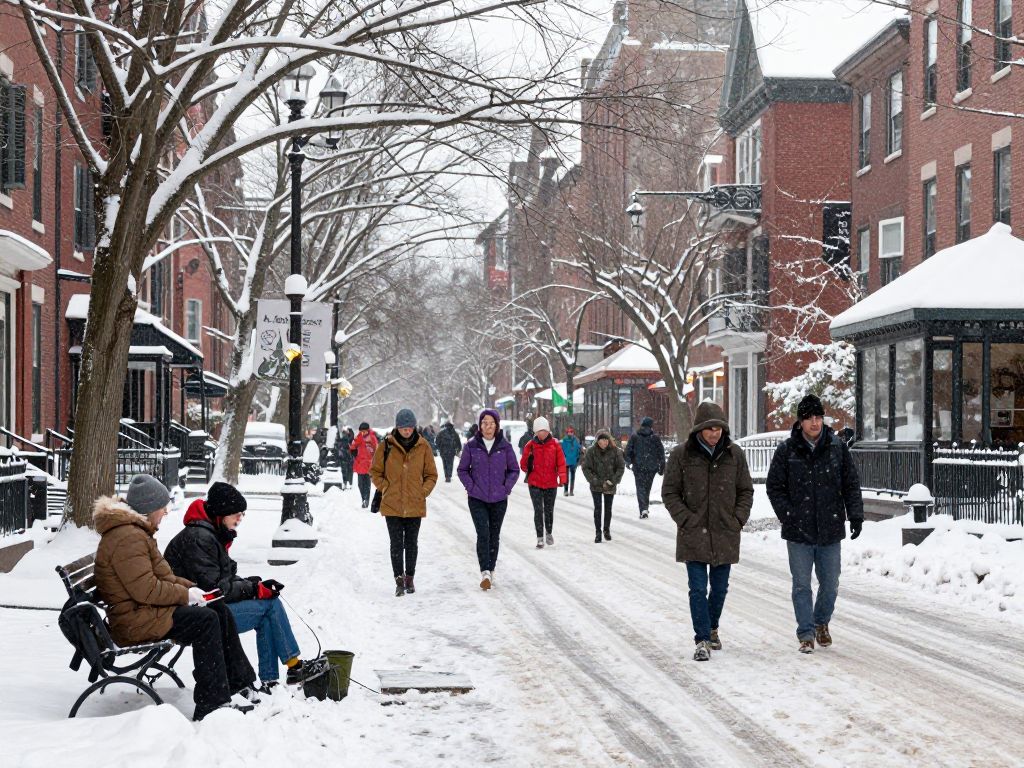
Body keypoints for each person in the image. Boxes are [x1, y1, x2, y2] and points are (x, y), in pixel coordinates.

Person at [93, 474, 257, 721]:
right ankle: (211, 703)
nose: (166, 512)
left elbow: (164, 574)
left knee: (216, 607)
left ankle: (236, 684)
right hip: (134, 621)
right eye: (162, 507)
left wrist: (194, 590)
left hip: (143, 612)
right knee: (206, 621)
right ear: (149, 509)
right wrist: (185, 595)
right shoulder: (127, 538)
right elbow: (146, 589)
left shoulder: (136, 534)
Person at [164, 482, 318, 689]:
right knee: (269, 608)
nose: (240, 519)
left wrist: (253, 585)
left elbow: (223, 579)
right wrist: (253, 589)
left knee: (268, 603)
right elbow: (215, 590)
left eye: (242, 514)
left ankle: (274, 678)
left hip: (206, 609)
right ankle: (292, 668)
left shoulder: (209, 534)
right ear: (221, 513)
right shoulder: (200, 538)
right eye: (236, 513)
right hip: (197, 616)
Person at [766, 394, 864, 654]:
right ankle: (806, 633)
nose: (815, 423)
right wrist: (788, 514)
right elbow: (774, 487)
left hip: (830, 527)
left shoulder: (837, 447)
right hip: (798, 530)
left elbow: (851, 484)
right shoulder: (787, 450)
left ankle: (821, 622)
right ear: (800, 422)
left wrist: (855, 515)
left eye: (818, 417)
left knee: (830, 583)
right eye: (809, 418)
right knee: (801, 584)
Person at [662, 402, 754, 662]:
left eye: (719, 428)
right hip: (694, 533)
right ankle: (702, 638)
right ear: (699, 429)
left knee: (720, 588)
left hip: (725, 532)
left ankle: (712, 627)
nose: (715, 433)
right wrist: (685, 519)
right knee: (697, 588)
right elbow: (670, 492)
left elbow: (745, 490)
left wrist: (737, 518)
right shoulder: (682, 455)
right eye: (710, 428)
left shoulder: (734, 454)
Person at [371, 408, 438, 596]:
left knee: (411, 543)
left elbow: (431, 475)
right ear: (397, 427)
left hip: (415, 504)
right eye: (403, 428)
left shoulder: (423, 446)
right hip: (392, 504)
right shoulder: (386, 446)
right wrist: (385, 487)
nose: (406, 431)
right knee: (396, 544)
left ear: (414, 427)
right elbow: (375, 471)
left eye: (409, 428)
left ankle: (410, 578)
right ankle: (398, 580)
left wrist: (422, 492)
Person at [457, 409, 520, 590]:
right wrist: (471, 487)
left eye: (492, 423)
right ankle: (484, 571)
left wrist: (506, 487)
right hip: (477, 498)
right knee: (483, 533)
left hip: (499, 499)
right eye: (485, 423)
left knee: (494, 535)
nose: (488, 427)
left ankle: (491, 569)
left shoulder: (505, 446)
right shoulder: (471, 446)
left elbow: (514, 470)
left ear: (497, 426)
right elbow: (462, 470)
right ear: (480, 425)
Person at [520, 416, 567, 549]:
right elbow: (523, 465)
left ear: (548, 431)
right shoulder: (530, 446)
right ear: (535, 432)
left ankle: (549, 532)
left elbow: (561, 463)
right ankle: (540, 537)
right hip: (535, 483)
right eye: (540, 431)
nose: (542, 433)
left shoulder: (555, 445)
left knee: (549, 510)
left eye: (545, 431)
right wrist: (528, 463)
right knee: (538, 510)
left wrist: (562, 478)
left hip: (551, 483)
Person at [581, 428, 626, 542]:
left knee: (608, 508)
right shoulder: (591, 451)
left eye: (606, 440)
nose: (604, 442)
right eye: (601, 440)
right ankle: (598, 532)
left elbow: (620, 467)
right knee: (598, 508)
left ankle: (606, 529)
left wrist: (613, 480)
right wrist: (594, 480)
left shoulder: (616, 451)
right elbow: (586, 467)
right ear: (597, 441)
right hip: (596, 484)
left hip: (610, 484)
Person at [624, 416, 666, 519]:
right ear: (651, 426)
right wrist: (661, 467)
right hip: (651, 468)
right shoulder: (655, 438)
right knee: (647, 488)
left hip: (638, 467)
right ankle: (645, 508)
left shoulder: (634, 437)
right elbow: (661, 453)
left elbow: (628, 451)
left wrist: (628, 462)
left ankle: (643, 508)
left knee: (640, 488)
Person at [350, 422, 379, 508]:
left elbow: (376, 450)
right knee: (360, 484)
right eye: (361, 431)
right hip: (360, 464)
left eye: (364, 431)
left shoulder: (372, 438)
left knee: (367, 484)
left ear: (368, 430)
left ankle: (366, 500)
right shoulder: (358, 437)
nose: (363, 433)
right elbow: (353, 445)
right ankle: (364, 498)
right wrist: (354, 452)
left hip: (369, 464)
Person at [560, 425, 582, 496]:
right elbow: (562, 450)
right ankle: (566, 491)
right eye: (568, 432)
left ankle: (571, 491)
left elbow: (579, 449)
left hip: (573, 461)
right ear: (567, 433)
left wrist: (578, 458)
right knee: (566, 477)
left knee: (573, 477)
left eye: (571, 432)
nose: (570, 433)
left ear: (573, 432)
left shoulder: (576, 440)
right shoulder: (564, 440)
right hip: (566, 461)